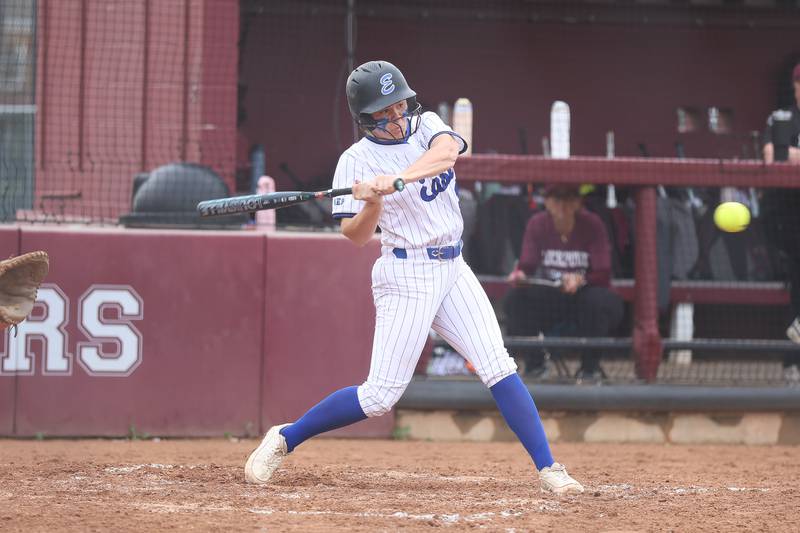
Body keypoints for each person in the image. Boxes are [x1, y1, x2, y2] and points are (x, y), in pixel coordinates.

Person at [244, 60, 583, 494]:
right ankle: (285, 438)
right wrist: (372, 202)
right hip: (406, 273)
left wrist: (397, 180)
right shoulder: (355, 161)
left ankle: (549, 469)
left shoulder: (427, 126)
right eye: (384, 113)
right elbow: (355, 236)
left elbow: (447, 154)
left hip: (453, 266)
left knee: (498, 365)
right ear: (365, 120)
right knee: (380, 397)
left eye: (399, 105)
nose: (396, 117)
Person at [504, 184, 623, 381]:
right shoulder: (537, 224)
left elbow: (603, 272)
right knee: (515, 300)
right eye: (557, 200)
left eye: (568, 200)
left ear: (578, 202)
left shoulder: (592, 224)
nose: (563, 206)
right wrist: (519, 276)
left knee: (599, 301)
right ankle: (535, 363)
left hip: (584, 298)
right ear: (547, 203)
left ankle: (589, 368)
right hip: (551, 297)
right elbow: (527, 265)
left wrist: (580, 279)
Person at [762, 62, 800, 382]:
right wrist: (787, 154)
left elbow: (788, 154)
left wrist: (792, 154)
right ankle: (792, 365)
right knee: (795, 290)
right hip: (786, 215)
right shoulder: (781, 118)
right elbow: (773, 156)